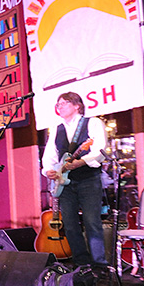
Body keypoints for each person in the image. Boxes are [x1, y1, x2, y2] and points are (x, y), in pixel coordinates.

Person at [41, 92, 109, 270]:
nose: (59, 106)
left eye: (63, 103)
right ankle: (81, 263)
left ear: (77, 105)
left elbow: (100, 149)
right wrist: (48, 170)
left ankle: (100, 265)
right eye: (58, 104)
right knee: (70, 224)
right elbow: (50, 155)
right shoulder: (57, 129)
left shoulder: (92, 123)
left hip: (88, 178)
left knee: (92, 221)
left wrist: (81, 162)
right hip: (65, 183)